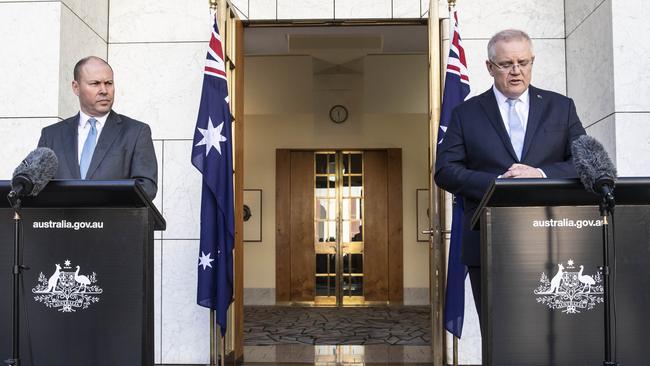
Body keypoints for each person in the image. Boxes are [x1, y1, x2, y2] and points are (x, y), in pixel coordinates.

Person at [434, 29, 586, 322]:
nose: (516, 71)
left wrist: (540, 174)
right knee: (499, 333)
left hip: (550, 240)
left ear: (532, 62)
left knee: (548, 334)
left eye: (523, 62)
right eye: (506, 64)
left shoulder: (561, 107)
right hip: (487, 241)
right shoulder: (466, 113)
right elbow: (445, 170)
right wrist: (498, 186)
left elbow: (585, 162)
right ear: (490, 67)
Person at [38, 56, 158, 199]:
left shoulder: (136, 132)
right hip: (63, 220)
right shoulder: (51, 135)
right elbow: (38, 186)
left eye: (108, 83)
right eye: (95, 83)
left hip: (114, 220)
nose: (104, 90)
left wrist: (100, 203)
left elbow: (147, 188)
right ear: (76, 87)